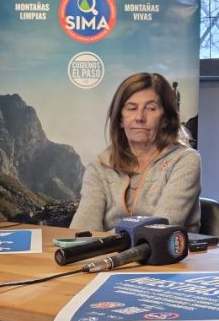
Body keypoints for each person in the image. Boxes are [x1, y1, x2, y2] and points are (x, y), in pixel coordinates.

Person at [71, 72, 201, 233]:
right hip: (108, 248)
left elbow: (159, 229)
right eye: (131, 108)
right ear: (120, 119)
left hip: (165, 249)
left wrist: (103, 242)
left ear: (166, 120)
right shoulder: (99, 168)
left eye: (151, 108)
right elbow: (81, 231)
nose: (139, 117)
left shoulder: (186, 161)